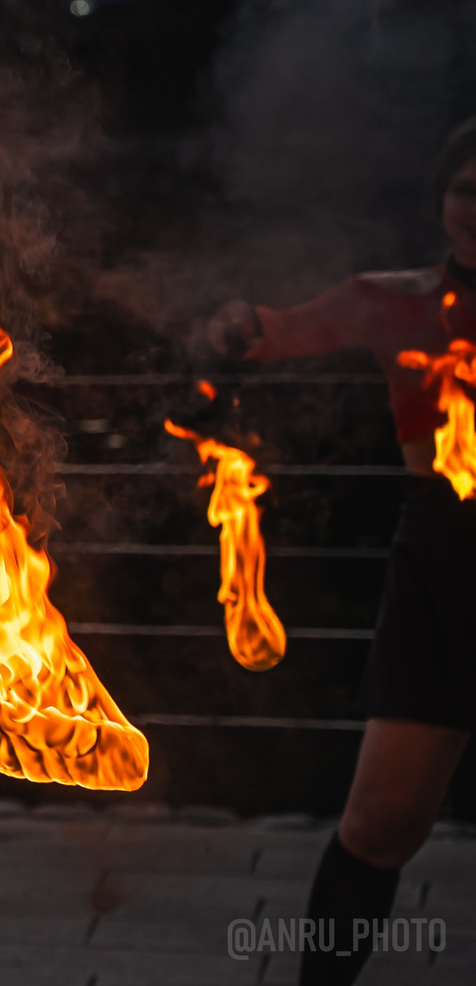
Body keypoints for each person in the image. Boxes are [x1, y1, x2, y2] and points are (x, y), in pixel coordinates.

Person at [201, 116, 476, 986]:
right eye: (469, 187)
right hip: (441, 558)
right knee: (380, 823)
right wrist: (234, 325)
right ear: (442, 198)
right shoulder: (392, 297)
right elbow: (275, 330)